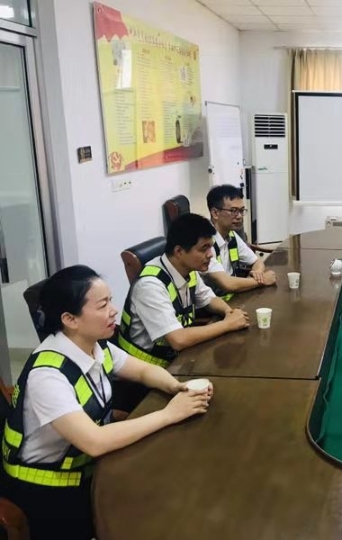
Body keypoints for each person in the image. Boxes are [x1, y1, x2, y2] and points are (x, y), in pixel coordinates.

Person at [1, 265, 212, 539]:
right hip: (47, 488)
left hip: (85, 467)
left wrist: (176, 386)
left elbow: (143, 371)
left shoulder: (94, 345)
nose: (113, 311)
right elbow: (95, 442)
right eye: (102, 305)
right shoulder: (48, 376)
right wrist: (169, 414)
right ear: (70, 319)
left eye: (110, 301)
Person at [118, 213, 249, 370]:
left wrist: (229, 312)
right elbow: (178, 340)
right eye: (204, 248)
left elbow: (208, 298)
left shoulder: (187, 268)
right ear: (179, 251)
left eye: (211, 246)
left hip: (178, 359)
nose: (210, 254)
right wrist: (227, 325)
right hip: (145, 370)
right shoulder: (150, 286)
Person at [204, 184, 276, 299]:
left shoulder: (231, 235)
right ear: (215, 213)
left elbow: (257, 261)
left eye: (241, 211)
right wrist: (263, 280)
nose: (239, 216)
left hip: (234, 298)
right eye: (233, 211)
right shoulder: (205, 243)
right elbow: (227, 284)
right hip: (213, 305)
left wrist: (257, 272)